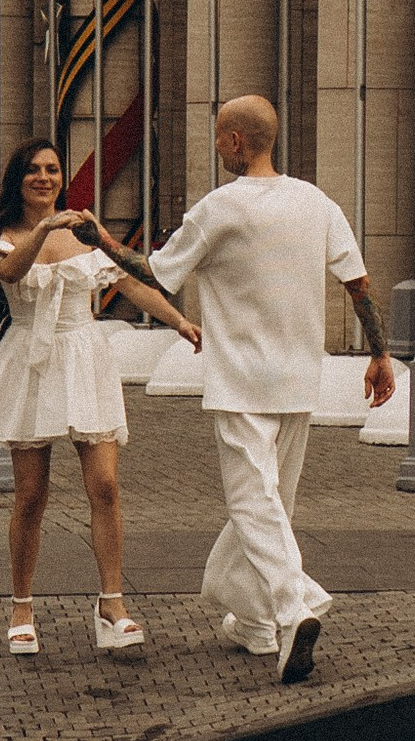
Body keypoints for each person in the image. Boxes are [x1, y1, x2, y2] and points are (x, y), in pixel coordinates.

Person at [145, 93, 394, 685]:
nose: (216, 146)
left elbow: (152, 271)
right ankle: (254, 626)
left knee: (252, 504)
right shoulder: (317, 202)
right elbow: (358, 285)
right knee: (272, 507)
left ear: (234, 142)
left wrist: (100, 239)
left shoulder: (220, 208)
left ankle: (293, 607)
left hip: (240, 383)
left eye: (217, 137)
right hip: (299, 379)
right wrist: (380, 353)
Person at [0, 137, 201, 658]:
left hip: (83, 356)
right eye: (34, 170)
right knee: (31, 494)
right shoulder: (5, 239)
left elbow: (130, 284)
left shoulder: (84, 233)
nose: (45, 178)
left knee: (104, 485)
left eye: (53, 169)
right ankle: (21, 607)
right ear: (19, 180)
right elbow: (9, 275)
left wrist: (178, 321)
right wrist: (42, 230)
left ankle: (112, 604)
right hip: (29, 363)